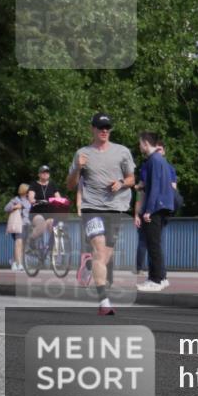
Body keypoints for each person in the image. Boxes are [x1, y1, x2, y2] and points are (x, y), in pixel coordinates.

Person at [66, 113, 137, 315]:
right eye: (100, 127)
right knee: (99, 250)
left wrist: (121, 183)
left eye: (107, 127)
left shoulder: (122, 152)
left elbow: (132, 178)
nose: (104, 130)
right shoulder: (82, 154)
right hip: (92, 208)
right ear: (93, 129)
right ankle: (104, 301)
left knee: (105, 255)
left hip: (115, 208)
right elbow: (70, 185)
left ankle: (90, 266)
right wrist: (77, 168)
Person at [134, 132, 176, 292]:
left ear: (145, 143)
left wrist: (148, 210)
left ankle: (156, 280)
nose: (139, 147)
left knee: (153, 244)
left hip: (156, 207)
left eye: (140, 143)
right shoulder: (161, 160)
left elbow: (155, 187)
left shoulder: (153, 160)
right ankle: (161, 277)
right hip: (163, 206)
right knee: (155, 243)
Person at [5, 183, 31, 271]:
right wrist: (15, 206)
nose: (30, 192)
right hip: (18, 224)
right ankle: (20, 264)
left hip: (27, 225)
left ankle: (13, 261)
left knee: (22, 246)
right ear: (24, 191)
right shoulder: (16, 199)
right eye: (28, 190)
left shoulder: (30, 200)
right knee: (19, 243)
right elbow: (6, 208)